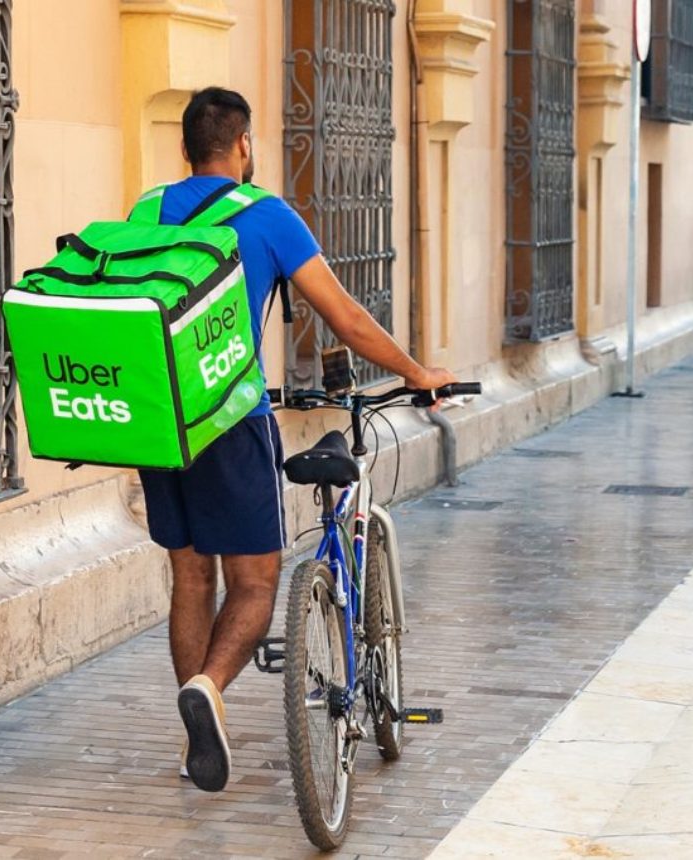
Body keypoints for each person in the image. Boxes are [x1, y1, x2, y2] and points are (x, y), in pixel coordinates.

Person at [137, 87, 457, 793]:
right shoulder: (267, 216)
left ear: (185, 148)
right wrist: (416, 372)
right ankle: (209, 693)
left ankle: (195, 724)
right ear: (243, 145)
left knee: (190, 575)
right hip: (230, 421)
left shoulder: (147, 211)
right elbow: (344, 317)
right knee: (254, 582)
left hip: (161, 427)